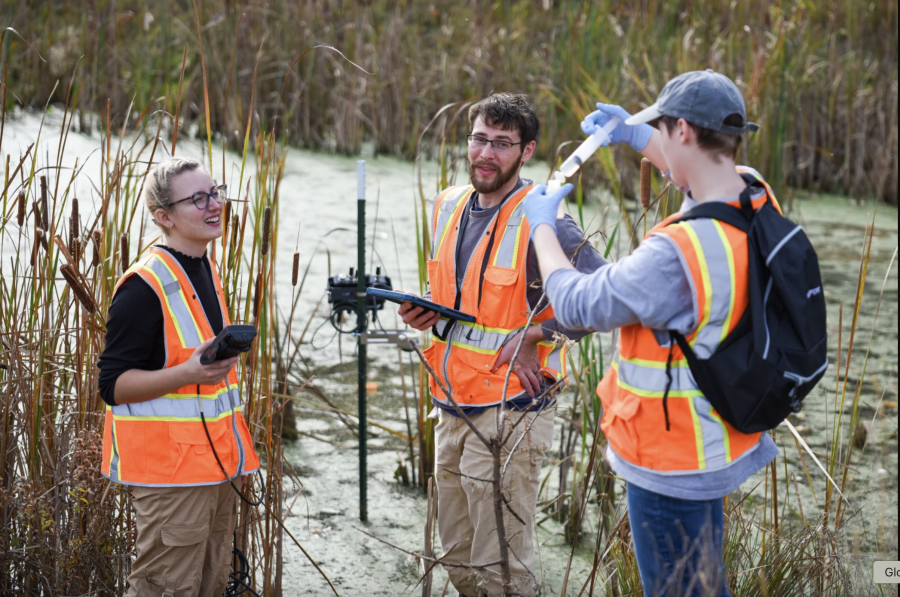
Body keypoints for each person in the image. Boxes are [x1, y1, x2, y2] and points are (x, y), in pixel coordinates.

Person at [523, 70, 781, 597]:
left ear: (683, 130)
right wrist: (632, 134)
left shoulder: (675, 255)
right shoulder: (755, 197)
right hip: (714, 443)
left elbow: (576, 303)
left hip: (669, 461)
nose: (657, 138)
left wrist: (542, 226)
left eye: (660, 128)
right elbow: (698, 172)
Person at [399, 93, 604, 597]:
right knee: (457, 560)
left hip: (512, 410)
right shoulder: (449, 204)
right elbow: (464, 292)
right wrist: (425, 310)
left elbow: (605, 299)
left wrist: (538, 336)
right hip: (452, 403)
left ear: (527, 150)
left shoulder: (545, 218)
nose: (486, 154)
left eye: (502, 144)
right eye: (479, 139)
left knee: (503, 571)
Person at [98, 158, 260, 597]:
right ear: (164, 217)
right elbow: (111, 386)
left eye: (216, 192)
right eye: (199, 198)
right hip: (169, 477)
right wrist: (188, 373)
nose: (215, 205)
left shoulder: (205, 267)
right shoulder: (143, 286)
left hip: (216, 468)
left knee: (207, 586)